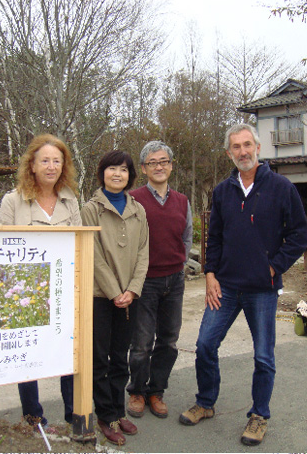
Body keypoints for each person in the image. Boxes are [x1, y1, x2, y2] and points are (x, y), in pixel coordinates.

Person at [179, 124, 307, 446]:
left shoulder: (281, 188)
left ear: (258, 148)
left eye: (247, 144)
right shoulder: (223, 191)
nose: (243, 151)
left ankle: (259, 415)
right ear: (229, 153)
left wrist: (273, 267)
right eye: (236, 147)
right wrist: (210, 274)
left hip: (262, 289)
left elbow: (298, 236)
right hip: (225, 286)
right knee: (205, 345)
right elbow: (215, 237)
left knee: (263, 355)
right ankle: (205, 402)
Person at [0, 133, 80, 428]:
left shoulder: (70, 201)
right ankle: (33, 418)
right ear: (31, 165)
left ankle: (73, 415)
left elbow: (80, 245)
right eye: (45, 160)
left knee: (68, 351)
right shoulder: (13, 201)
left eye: (57, 161)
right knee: (27, 355)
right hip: (24, 293)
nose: (51, 166)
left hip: (63, 290)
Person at [81, 150, 149, 446]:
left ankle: (119, 411)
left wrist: (132, 290)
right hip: (100, 296)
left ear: (130, 175)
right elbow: (92, 254)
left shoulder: (138, 209)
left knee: (121, 357)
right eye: (112, 168)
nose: (117, 174)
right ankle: (105, 416)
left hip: (130, 297)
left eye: (123, 169)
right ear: (102, 173)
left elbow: (144, 252)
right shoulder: (90, 209)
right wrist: (114, 292)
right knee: (100, 359)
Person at [126, 141, 192, 419]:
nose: (159, 167)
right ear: (143, 169)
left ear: (171, 165)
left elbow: (186, 237)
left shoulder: (182, 201)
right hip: (144, 282)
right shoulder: (133, 199)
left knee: (168, 340)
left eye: (164, 161)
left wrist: (180, 265)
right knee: (142, 342)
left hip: (174, 281)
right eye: (152, 162)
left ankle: (156, 391)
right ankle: (137, 391)